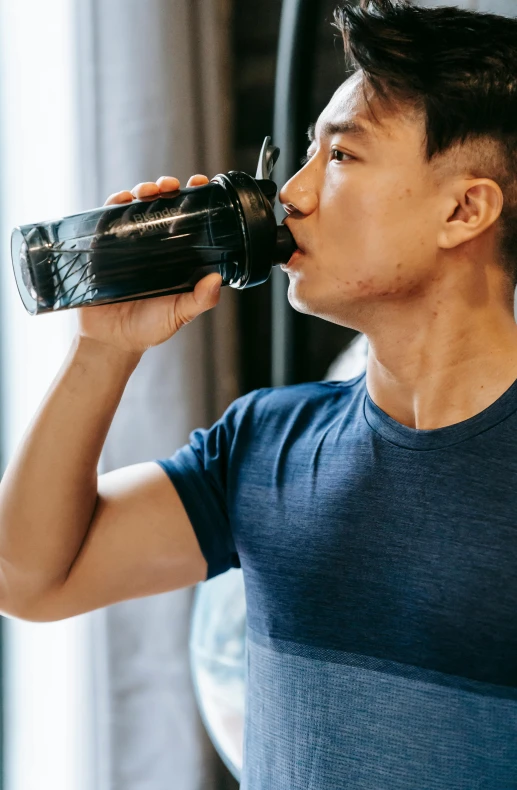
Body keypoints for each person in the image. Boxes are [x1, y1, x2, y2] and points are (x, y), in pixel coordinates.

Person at [1, 0, 517, 786]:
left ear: (464, 209)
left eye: (340, 158)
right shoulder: (264, 444)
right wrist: (102, 351)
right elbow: (27, 579)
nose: (293, 195)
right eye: (303, 155)